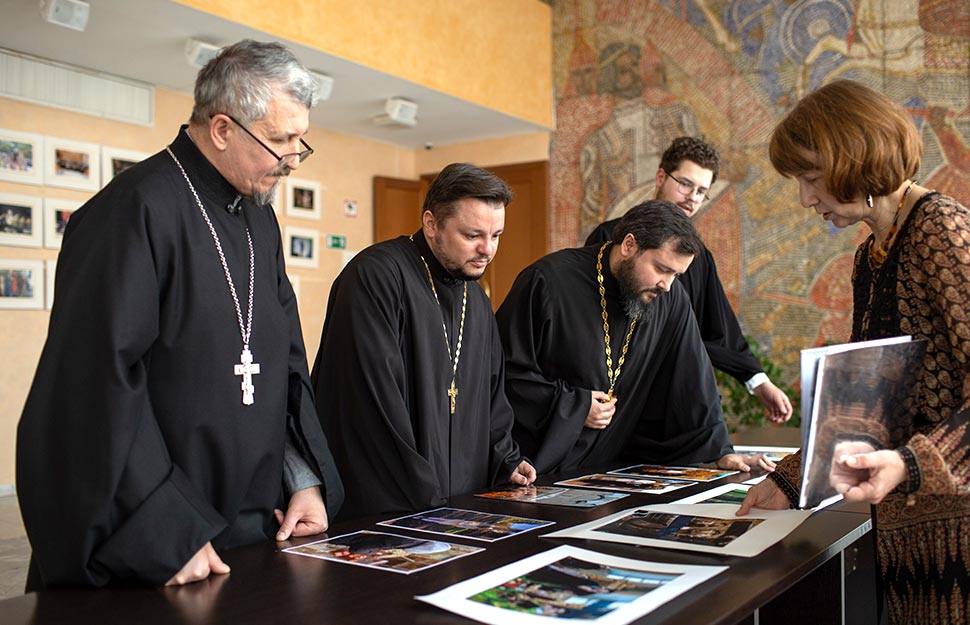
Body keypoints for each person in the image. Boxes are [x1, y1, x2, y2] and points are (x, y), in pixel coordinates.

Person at [16, 40, 344, 589]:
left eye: (299, 139)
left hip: (258, 528)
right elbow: (98, 384)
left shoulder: (260, 221)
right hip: (164, 542)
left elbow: (283, 361)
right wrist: (169, 529)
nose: (293, 156)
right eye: (281, 139)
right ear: (222, 129)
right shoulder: (131, 210)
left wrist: (303, 479)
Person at [737, 79, 970, 625]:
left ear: (853, 161)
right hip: (913, 531)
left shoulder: (943, 230)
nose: (806, 198)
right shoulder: (870, 257)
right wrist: (788, 480)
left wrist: (909, 463)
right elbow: (875, 403)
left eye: (811, 179)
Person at [311, 162, 535, 519]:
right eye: (472, 235)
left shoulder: (475, 298)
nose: (487, 250)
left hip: (457, 508)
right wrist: (423, 497)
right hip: (392, 505)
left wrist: (505, 458)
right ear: (431, 224)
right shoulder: (376, 276)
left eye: (496, 236)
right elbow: (370, 404)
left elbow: (491, 394)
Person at [496, 199, 774, 474]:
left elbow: (692, 376)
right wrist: (575, 406)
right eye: (662, 269)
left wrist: (720, 450)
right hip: (532, 467)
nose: (667, 285)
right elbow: (502, 376)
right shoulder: (547, 282)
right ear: (629, 245)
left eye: (677, 275)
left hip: (607, 468)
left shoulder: (671, 299)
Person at [586, 137, 793, 422]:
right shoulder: (611, 239)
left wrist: (759, 383)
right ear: (661, 176)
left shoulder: (699, 258)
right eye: (685, 184)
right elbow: (590, 323)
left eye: (701, 191)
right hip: (616, 401)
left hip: (673, 404)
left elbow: (719, 329)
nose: (692, 197)